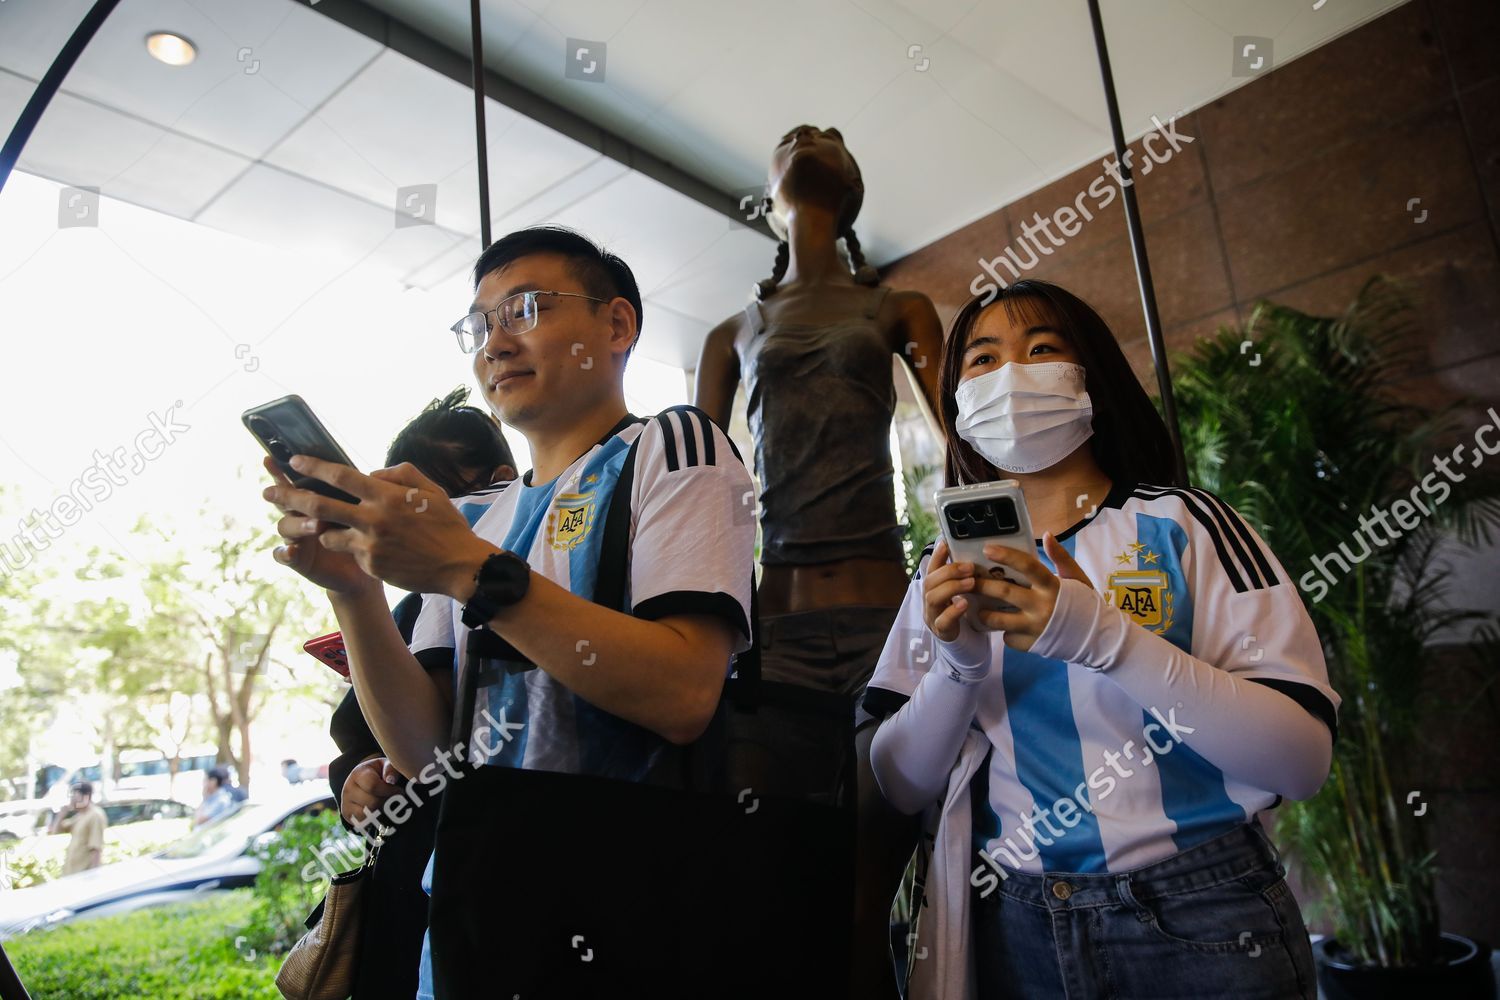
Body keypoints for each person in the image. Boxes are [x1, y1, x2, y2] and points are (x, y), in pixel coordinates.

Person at [260, 226, 755, 998]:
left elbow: (686, 693)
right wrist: (352, 591)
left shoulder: (674, 446)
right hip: (474, 918)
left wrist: (466, 569)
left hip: (633, 917)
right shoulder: (477, 518)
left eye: (524, 308)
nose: (495, 343)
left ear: (616, 326)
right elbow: (429, 759)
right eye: (480, 324)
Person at [865, 279, 1339, 1000]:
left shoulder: (1185, 524)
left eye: (1042, 348)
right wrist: (959, 667)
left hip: (1202, 912)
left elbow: (1301, 760)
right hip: (1017, 924)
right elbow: (899, 785)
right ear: (958, 405)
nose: (1011, 375)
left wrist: (1106, 639)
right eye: (983, 360)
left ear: (1090, 377)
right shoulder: (940, 574)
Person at [694, 123, 947, 997]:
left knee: (878, 891)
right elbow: (702, 488)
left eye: (835, 136)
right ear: (768, 199)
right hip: (780, 636)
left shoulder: (897, 310)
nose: (815, 135)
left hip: (890, 626)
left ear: (852, 189)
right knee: (782, 880)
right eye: (796, 135)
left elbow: (970, 445)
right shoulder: (733, 332)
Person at [326, 386, 517, 1000]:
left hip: (504, 876)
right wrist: (356, 776)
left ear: (506, 484)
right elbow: (360, 732)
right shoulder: (396, 611)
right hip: (407, 884)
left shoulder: (542, 576)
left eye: (433, 501)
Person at [49, 781, 106, 875]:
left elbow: (96, 848)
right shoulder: (79, 816)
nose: (72, 800)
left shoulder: (95, 815)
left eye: (74, 796)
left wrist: (94, 875)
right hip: (72, 874)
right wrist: (61, 815)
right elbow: (56, 831)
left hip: (84, 875)